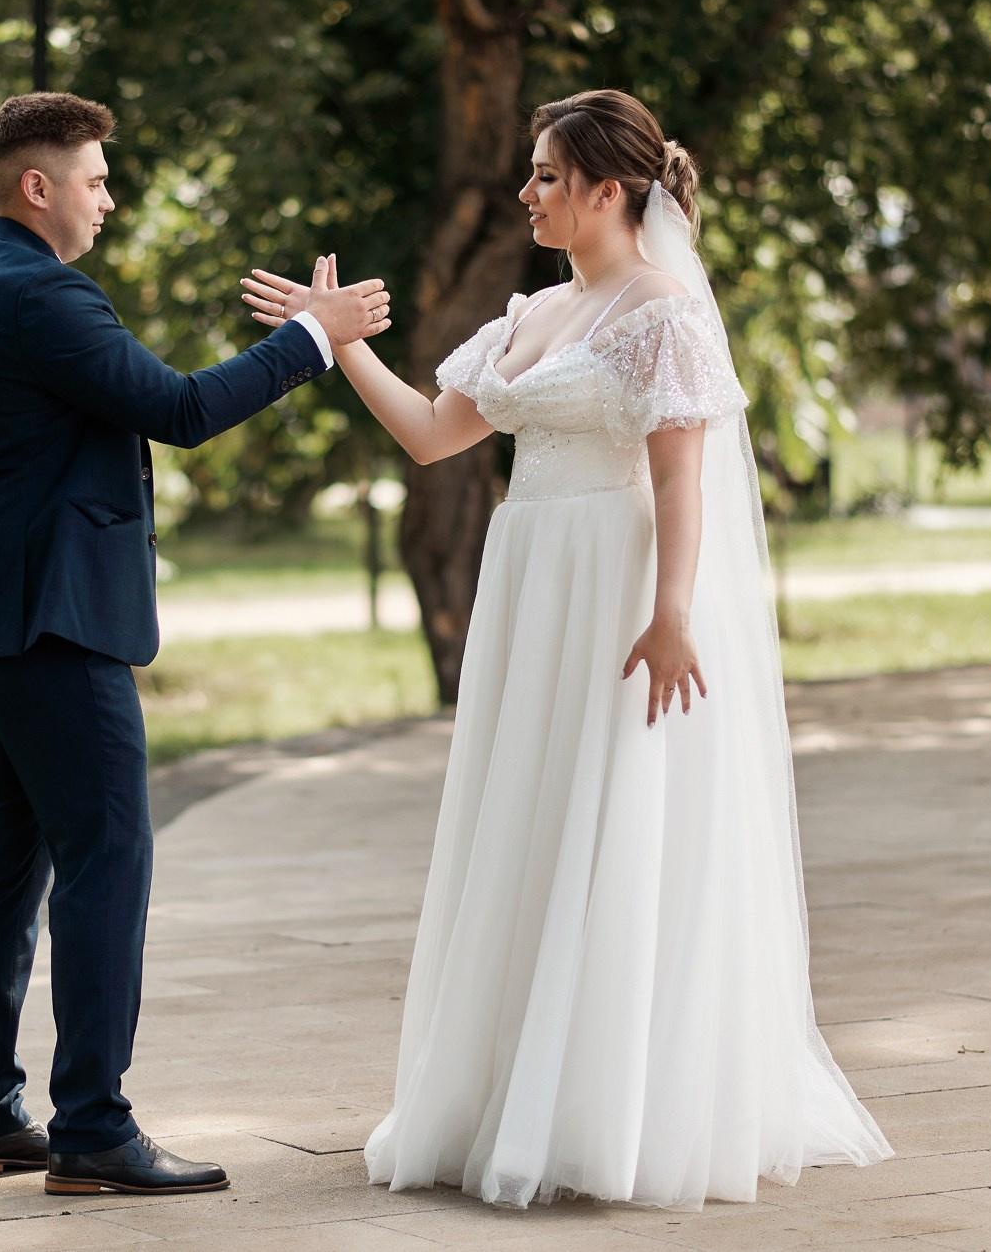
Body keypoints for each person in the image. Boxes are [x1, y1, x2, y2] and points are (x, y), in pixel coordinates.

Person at [242, 88, 891, 1210]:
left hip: (615, 589)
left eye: (546, 176)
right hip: (528, 590)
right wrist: (338, 343)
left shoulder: (662, 313)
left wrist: (673, 609)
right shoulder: (529, 315)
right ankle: (502, 1087)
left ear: (607, 189)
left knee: (612, 818)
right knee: (528, 815)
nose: (526, 194)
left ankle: (605, 1109)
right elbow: (432, 436)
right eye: (530, 175)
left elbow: (682, 475)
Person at [0, 91, 391, 1197]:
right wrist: (315, 338)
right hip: (49, 625)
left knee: (1, 869)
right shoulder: (40, 294)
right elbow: (175, 408)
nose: (108, 199)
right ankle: (91, 1129)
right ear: (39, 187)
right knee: (105, 861)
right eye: (94, 179)